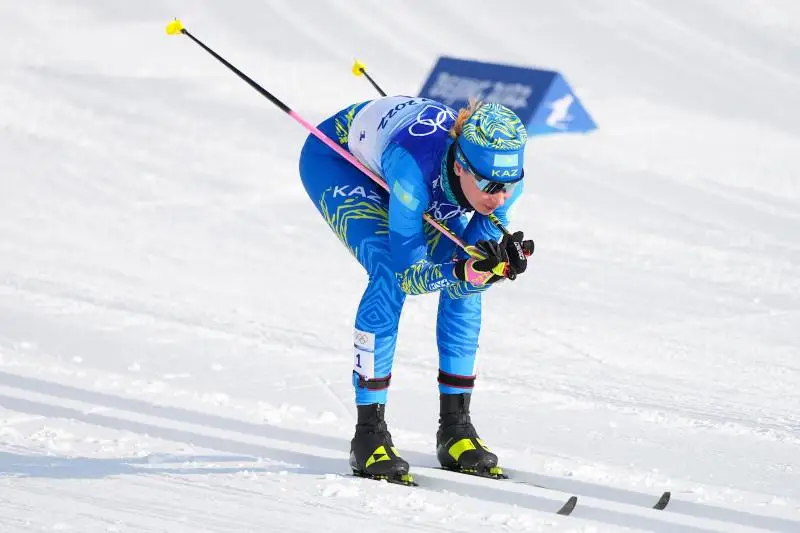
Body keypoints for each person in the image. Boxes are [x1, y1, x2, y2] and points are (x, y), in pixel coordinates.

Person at [298, 95, 532, 484]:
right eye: (492, 185)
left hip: (418, 171)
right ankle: (368, 435)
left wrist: (492, 269)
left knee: (469, 281)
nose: (501, 197)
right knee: (389, 273)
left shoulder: (499, 180)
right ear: (460, 166)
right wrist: (463, 270)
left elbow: (474, 267)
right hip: (339, 161)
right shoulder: (411, 173)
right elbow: (412, 275)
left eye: (511, 183)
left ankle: (456, 428)